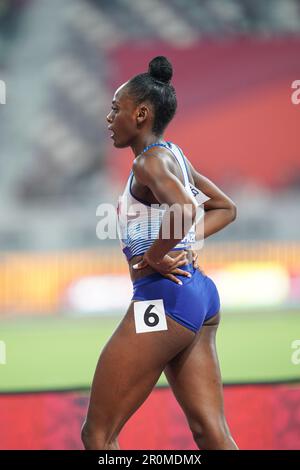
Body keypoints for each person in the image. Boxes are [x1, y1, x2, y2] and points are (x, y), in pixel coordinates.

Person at [81, 56, 238, 450]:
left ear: (141, 114)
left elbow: (185, 209)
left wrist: (155, 254)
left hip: (162, 298)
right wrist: (183, 244)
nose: (109, 117)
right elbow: (224, 208)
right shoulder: (174, 155)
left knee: (98, 435)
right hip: (198, 296)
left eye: (116, 109)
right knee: (211, 433)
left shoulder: (148, 163)